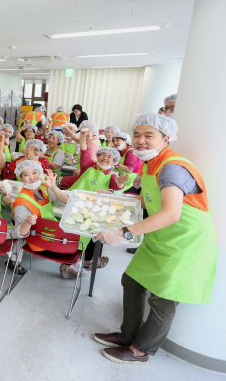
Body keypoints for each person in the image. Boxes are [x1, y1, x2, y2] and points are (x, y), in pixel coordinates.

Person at [93, 113, 217, 365]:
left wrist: (124, 232)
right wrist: (118, 197)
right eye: (137, 135)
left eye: (149, 135)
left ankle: (140, 350)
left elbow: (171, 213)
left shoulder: (172, 167)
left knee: (163, 299)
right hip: (161, 236)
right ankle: (127, 335)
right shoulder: (151, 164)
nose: (140, 140)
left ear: (165, 138)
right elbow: (151, 200)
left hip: (184, 242)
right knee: (132, 281)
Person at [12, 161, 74, 277]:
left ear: (40, 173)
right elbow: (20, 233)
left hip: (54, 235)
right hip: (40, 243)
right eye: (26, 175)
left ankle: (68, 266)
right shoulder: (21, 203)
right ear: (20, 178)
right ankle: (67, 266)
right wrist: (27, 222)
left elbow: (64, 202)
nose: (32, 177)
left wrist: (54, 187)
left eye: (34, 172)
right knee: (81, 245)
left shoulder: (43, 187)